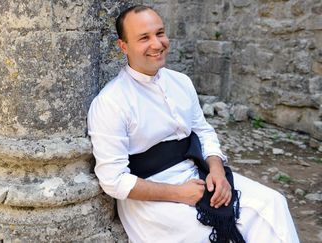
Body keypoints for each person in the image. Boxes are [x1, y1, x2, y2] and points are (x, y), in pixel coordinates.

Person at [87, 5, 300, 243]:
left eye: (160, 33)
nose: (157, 44)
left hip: (198, 172)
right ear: (123, 46)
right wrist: (178, 193)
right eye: (144, 38)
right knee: (209, 232)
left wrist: (217, 170)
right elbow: (113, 180)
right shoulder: (110, 102)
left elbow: (203, 132)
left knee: (273, 204)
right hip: (151, 196)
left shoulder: (182, 82)